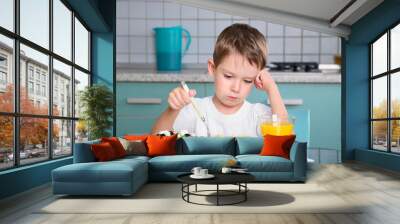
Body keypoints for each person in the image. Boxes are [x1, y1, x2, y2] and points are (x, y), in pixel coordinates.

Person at [151, 23, 287, 137]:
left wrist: (271, 88)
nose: (236, 88)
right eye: (228, 76)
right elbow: (156, 139)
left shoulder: (257, 115)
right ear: (212, 68)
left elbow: (283, 136)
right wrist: (172, 110)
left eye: (247, 80)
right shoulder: (195, 109)